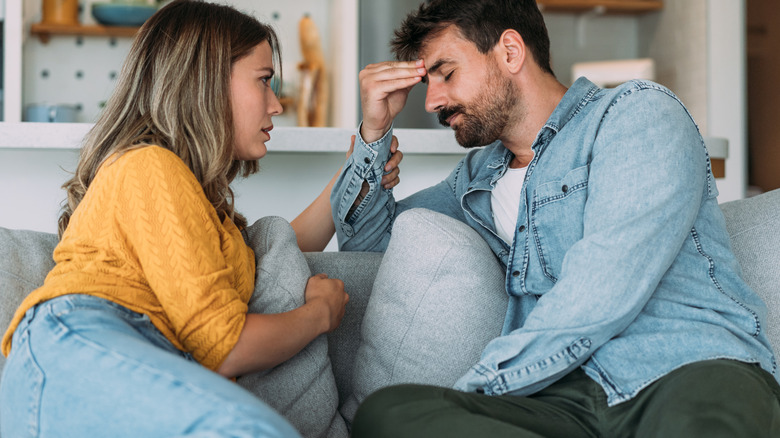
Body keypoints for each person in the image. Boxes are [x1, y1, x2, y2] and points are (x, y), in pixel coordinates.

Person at [329, 0, 780, 436]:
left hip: (683, 369)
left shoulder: (636, 113)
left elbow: (603, 284)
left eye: (446, 74)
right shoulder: (475, 178)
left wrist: (484, 389)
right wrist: (374, 133)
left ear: (510, 51)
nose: (432, 101)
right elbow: (371, 249)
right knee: (390, 414)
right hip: (565, 399)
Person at [0, 1, 402, 437]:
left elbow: (282, 247)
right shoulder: (148, 166)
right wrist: (319, 314)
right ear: (206, 82)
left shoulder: (203, 211)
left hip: (112, 354)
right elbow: (225, 346)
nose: (276, 105)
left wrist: (364, 154)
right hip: (82, 343)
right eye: (264, 81)